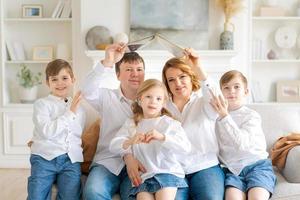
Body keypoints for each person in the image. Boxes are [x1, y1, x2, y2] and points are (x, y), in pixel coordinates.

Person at [81, 43, 146, 200]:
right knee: (92, 192)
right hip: (107, 162)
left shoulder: (153, 101)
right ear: (117, 75)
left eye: (139, 70)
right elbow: (86, 90)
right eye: (128, 69)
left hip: (139, 164)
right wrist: (108, 62)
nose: (135, 74)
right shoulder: (106, 97)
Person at [110, 79, 191, 200]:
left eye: (158, 99)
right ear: (139, 99)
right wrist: (130, 141)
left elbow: (185, 147)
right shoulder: (132, 123)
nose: (153, 101)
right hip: (145, 177)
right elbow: (113, 146)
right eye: (148, 96)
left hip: (167, 173)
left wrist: (162, 137)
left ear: (164, 103)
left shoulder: (170, 123)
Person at [162, 49, 225, 200]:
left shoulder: (204, 101)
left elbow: (219, 100)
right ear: (167, 84)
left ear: (191, 77)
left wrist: (198, 67)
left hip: (205, 166)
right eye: (171, 80)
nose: (177, 83)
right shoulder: (161, 106)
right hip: (173, 169)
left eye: (182, 76)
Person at [209, 70, 276, 200]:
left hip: (257, 166)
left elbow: (242, 145)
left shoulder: (252, 116)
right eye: (226, 88)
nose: (231, 91)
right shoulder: (216, 117)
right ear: (221, 93)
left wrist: (225, 116)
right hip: (233, 170)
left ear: (246, 92)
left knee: (257, 197)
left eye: (236, 87)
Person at [27, 59, 86, 200]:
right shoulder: (42, 104)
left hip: (70, 161)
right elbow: (47, 132)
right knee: (36, 195)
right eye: (54, 79)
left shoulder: (79, 107)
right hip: (44, 158)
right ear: (48, 83)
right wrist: (70, 113)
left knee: (71, 196)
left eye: (65, 78)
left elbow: (76, 135)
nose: (60, 83)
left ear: (73, 79)